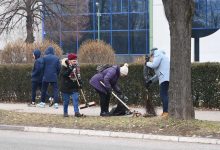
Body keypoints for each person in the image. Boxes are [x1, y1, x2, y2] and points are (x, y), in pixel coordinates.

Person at [145, 48, 170, 117]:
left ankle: (166, 112)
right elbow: (158, 75)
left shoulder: (158, 55)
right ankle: (165, 111)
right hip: (165, 77)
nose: (151, 59)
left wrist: (146, 63)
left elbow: (153, 65)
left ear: (152, 55)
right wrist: (150, 81)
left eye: (151, 58)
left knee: (163, 95)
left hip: (165, 78)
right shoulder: (162, 56)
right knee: (163, 95)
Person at [59, 53, 83, 117]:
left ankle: (77, 112)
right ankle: (65, 112)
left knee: (75, 99)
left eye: (76, 61)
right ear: (69, 61)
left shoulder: (77, 66)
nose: (75, 62)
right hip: (65, 86)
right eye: (74, 61)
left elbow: (78, 75)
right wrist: (70, 68)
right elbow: (64, 75)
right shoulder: (64, 66)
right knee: (66, 101)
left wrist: (80, 83)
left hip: (74, 86)